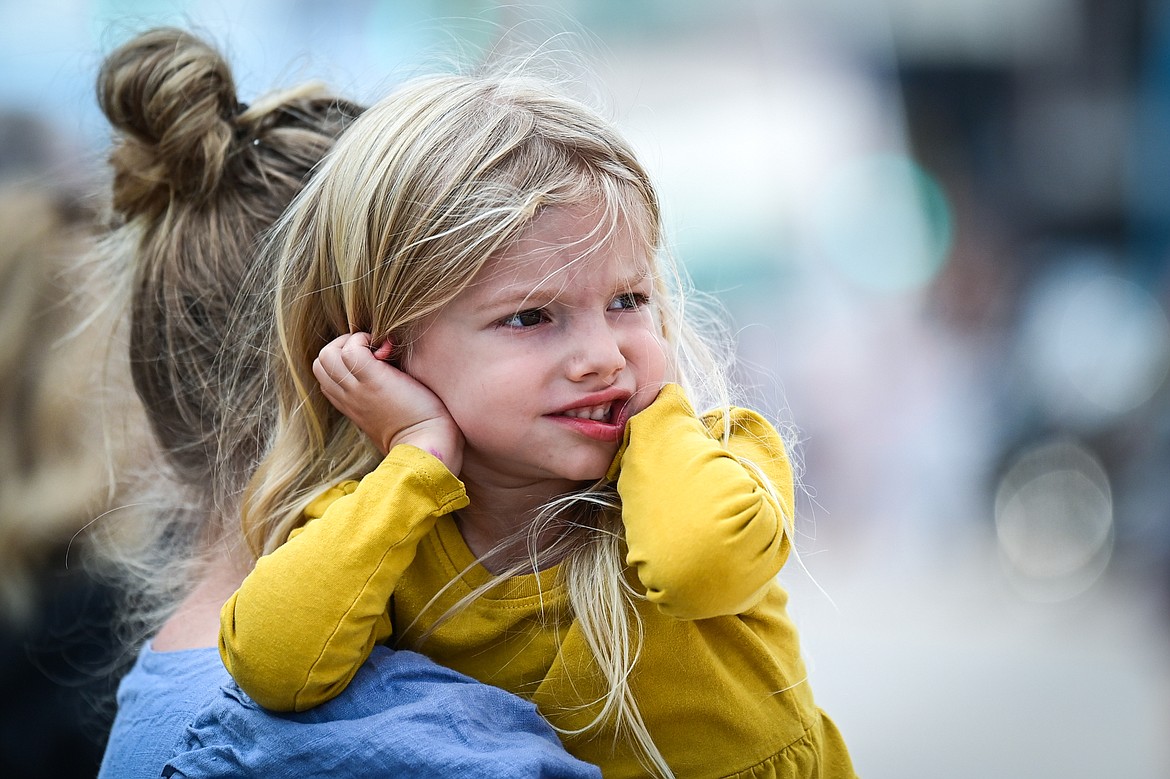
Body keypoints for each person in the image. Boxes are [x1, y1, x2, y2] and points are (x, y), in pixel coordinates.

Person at [218, 69, 857, 778]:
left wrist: (656, 407)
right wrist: (417, 456)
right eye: (531, 316)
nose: (601, 356)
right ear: (386, 350)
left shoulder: (717, 459)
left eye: (628, 298)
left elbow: (698, 563)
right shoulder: (386, 525)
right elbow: (273, 664)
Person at [91, 27, 599, 779]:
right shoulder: (404, 746)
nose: (596, 364)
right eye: (523, 318)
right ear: (370, 373)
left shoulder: (163, 702)